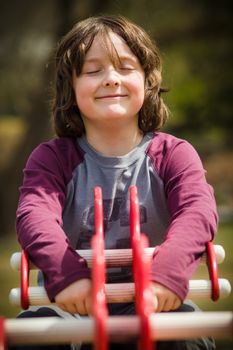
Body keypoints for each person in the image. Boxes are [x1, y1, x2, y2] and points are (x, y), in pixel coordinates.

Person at [11, 15, 217, 350]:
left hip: (155, 301)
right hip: (72, 307)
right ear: (71, 88)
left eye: (124, 67)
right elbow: (34, 215)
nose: (110, 79)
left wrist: (167, 275)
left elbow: (198, 213)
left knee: (185, 333)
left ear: (148, 81)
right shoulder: (51, 159)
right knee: (32, 334)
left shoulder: (174, 154)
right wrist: (68, 277)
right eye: (93, 71)